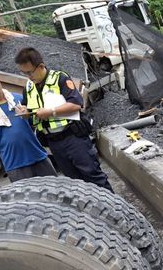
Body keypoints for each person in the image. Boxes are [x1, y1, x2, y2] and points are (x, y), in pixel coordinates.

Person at [14, 47, 113, 191]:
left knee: (92, 175)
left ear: (41, 66)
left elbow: (76, 104)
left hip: (73, 137)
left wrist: (52, 112)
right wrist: (24, 111)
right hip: (53, 142)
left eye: (30, 72)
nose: (28, 76)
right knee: (74, 182)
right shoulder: (29, 87)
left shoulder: (60, 78)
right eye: (24, 73)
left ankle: (113, 208)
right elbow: (28, 107)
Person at [0, 69, 57, 182]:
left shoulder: (18, 99)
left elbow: (34, 123)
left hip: (38, 156)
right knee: (26, 198)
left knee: (54, 190)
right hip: (14, 164)